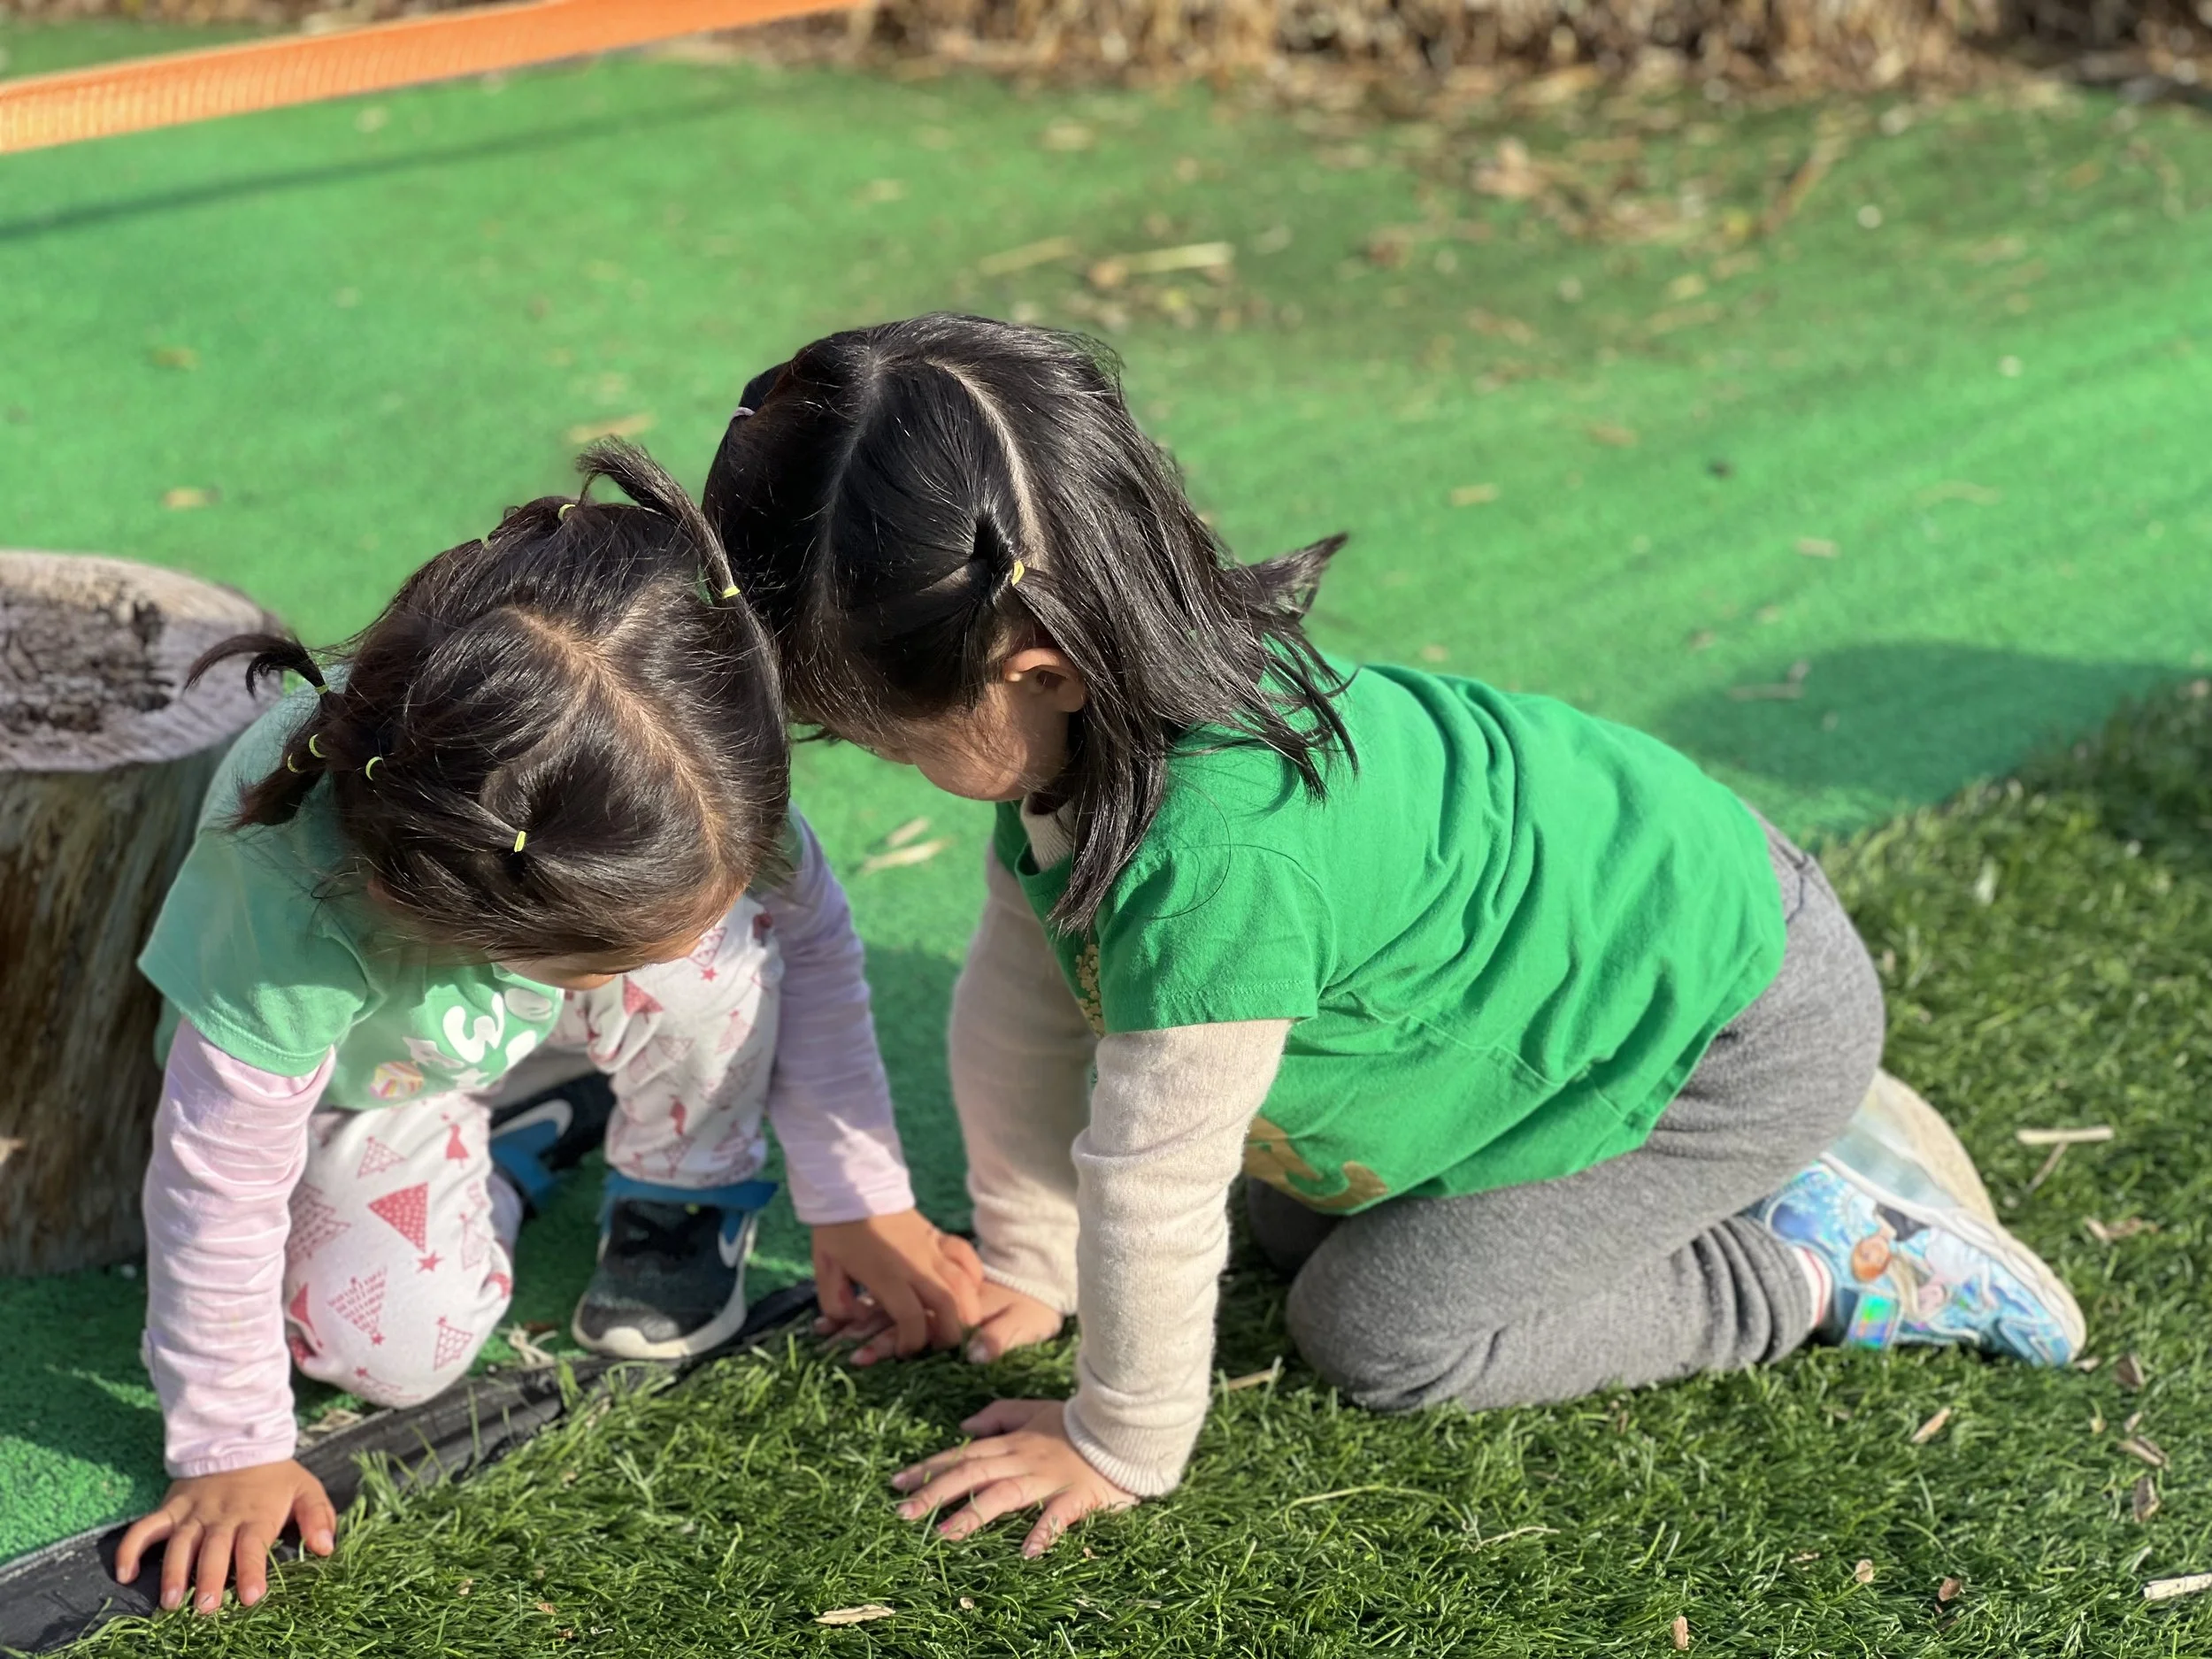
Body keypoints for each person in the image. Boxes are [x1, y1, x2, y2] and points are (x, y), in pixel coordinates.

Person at [700, 314, 2085, 1559]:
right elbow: (1025, 1001)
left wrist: (1117, 1438)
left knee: (1377, 1328)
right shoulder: (1119, 700)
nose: (874, 756)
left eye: (880, 734)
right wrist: (1031, 1258)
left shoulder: (1221, 855)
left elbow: (1157, 1178)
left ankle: (1817, 1252)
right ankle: (1744, 1173)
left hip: (1727, 1033)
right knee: (1289, 1219)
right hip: (1623, 965)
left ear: (1038, 670)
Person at [114, 442, 980, 1614]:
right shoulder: (300, 894)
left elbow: (812, 945)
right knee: (391, 1353)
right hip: (378, 1090)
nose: (684, 942)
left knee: (716, 956)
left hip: (515, 1001)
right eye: (619, 948)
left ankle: (681, 1198)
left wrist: (859, 1198)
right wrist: (230, 1443)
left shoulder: (686, 764)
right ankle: (518, 1139)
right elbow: (218, 1176)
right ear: (450, 915)